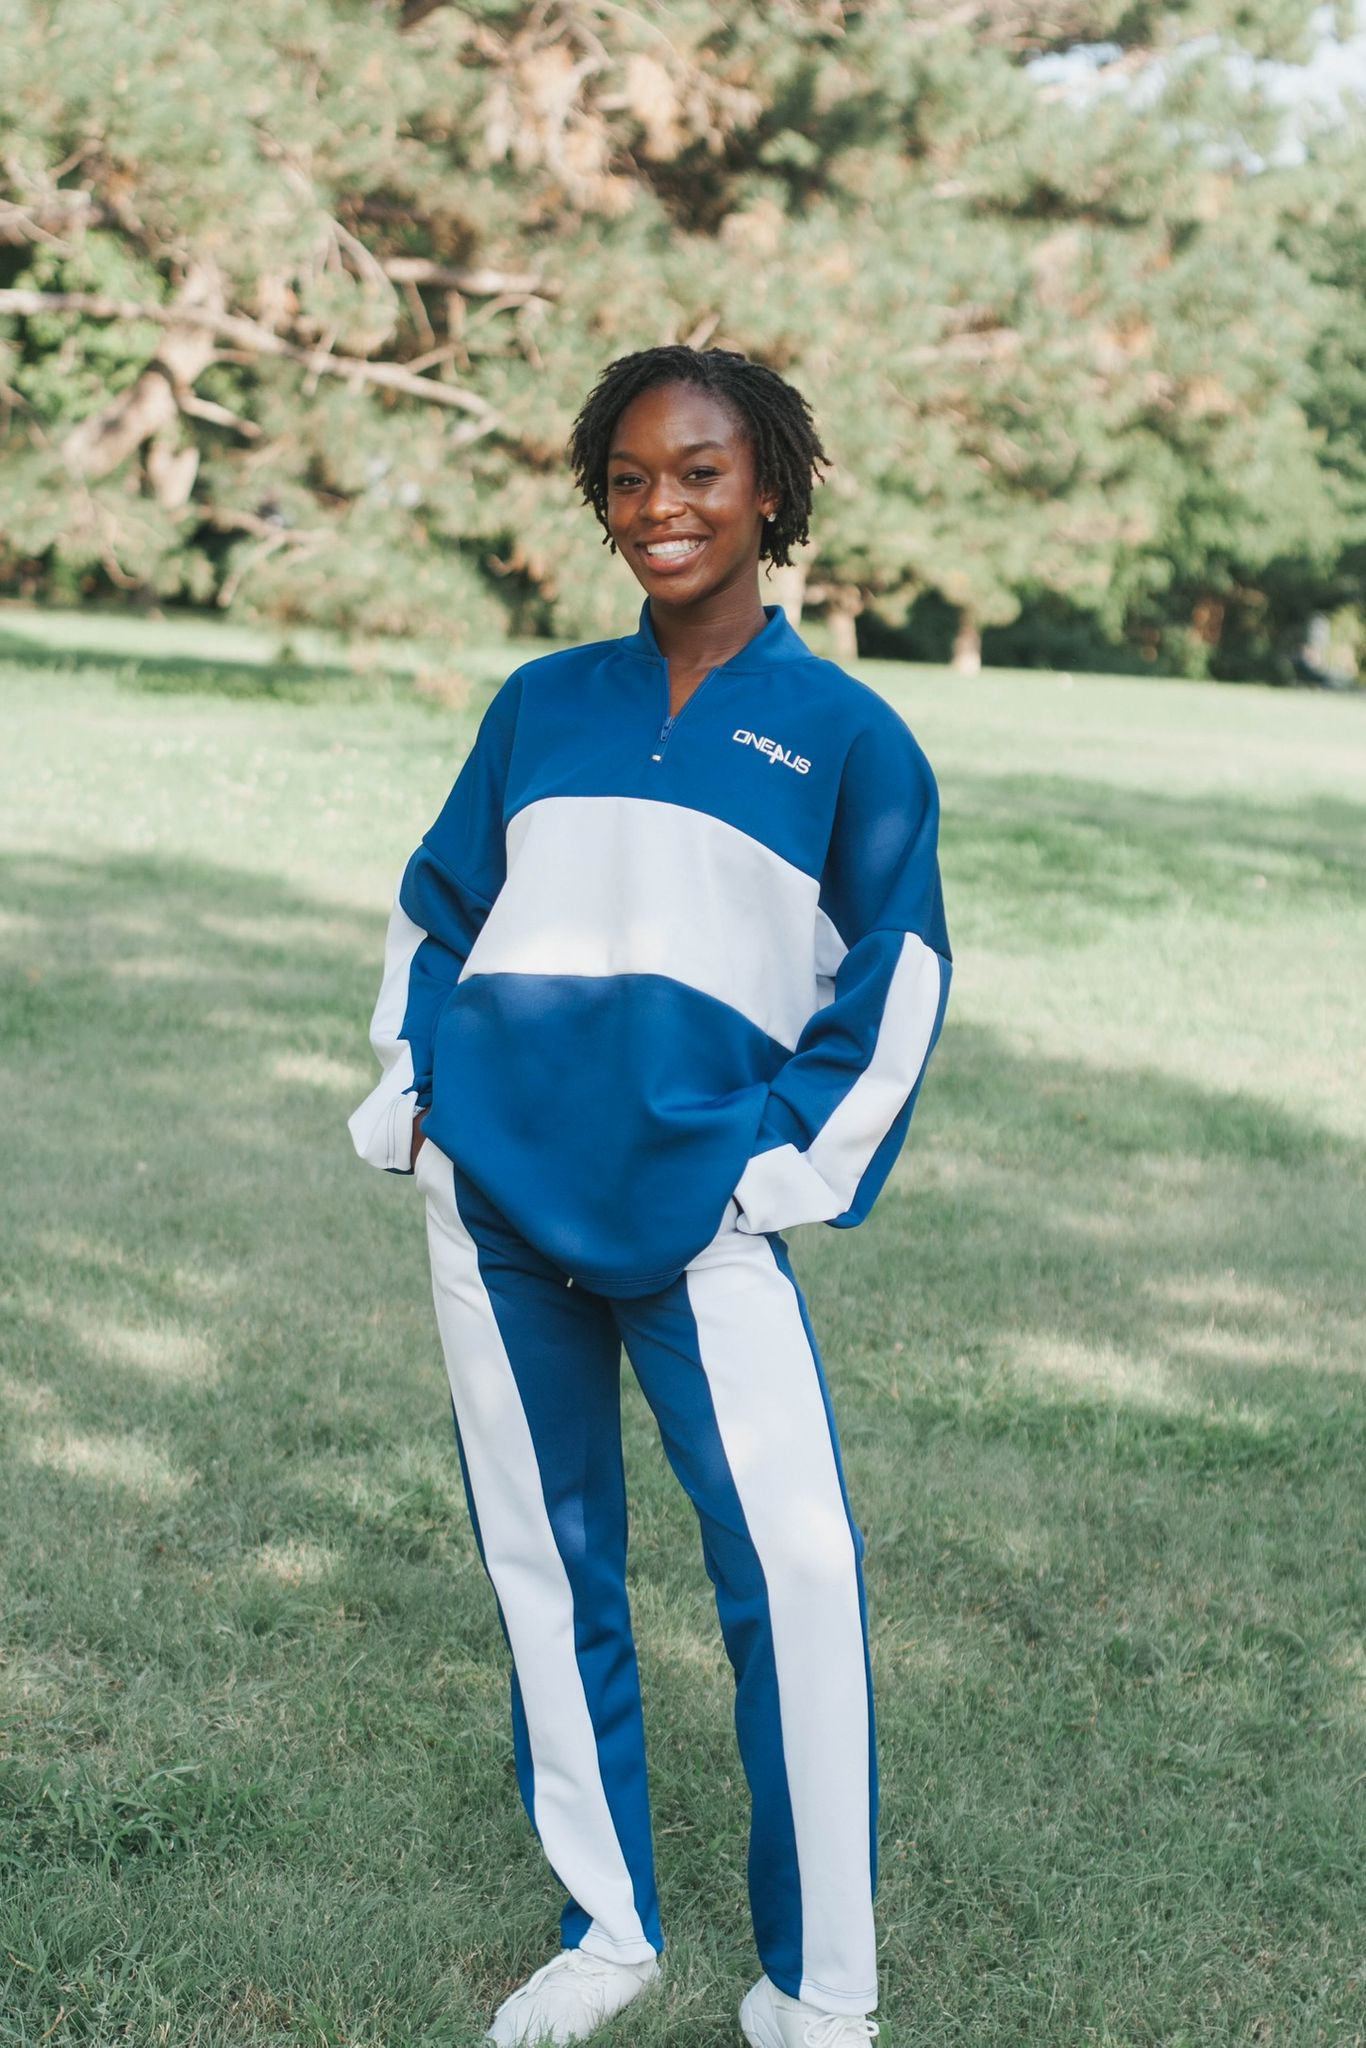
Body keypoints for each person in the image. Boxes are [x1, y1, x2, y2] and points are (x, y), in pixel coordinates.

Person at [348, 344, 952, 2048]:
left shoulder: (848, 735)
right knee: (551, 1565)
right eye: (626, 478)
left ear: (769, 487)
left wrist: (781, 1172)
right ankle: (606, 1929)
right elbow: (436, 906)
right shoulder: (543, 703)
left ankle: (819, 1994)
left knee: (797, 1577)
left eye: (697, 472)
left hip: (703, 1213)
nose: (659, 507)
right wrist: (415, 1097)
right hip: (497, 1203)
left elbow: (895, 974)